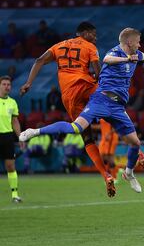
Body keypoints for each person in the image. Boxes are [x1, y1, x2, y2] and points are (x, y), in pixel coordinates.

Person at [20, 27, 144, 194]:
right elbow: (107, 59)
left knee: (136, 143)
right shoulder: (115, 52)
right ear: (129, 42)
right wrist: (127, 59)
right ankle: (35, 131)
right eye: (137, 41)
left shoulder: (137, 54)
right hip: (101, 100)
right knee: (76, 128)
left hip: (117, 106)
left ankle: (129, 173)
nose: (140, 44)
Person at [19, 22, 117, 197]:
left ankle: (106, 175)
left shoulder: (59, 46)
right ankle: (136, 152)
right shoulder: (89, 46)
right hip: (87, 86)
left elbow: (39, 60)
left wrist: (28, 83)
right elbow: (98, 71)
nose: (95, 37)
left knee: (86, 137)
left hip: (69, 95)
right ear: (85, 33)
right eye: (93, 34)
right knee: (114, 106)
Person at [0, 76, 24, 203]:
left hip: (7, 137)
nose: (6, 86)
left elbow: (15, 121)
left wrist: (20, 137)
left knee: (10, 166)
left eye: (8, 84)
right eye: (4, 84)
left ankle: (15, 194)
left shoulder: (12, 102)